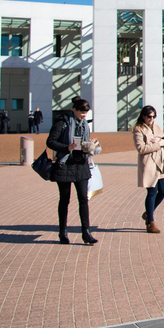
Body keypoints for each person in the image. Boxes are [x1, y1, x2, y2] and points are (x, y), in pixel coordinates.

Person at [46, 97, 99, 245]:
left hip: (81, 164)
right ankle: (63, 232)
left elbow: (84, 141)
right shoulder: (62, 122)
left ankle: (86, 232)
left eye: (86, 113)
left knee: (83, 199)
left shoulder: (85, 125)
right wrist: (66, 148)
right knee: (64, 200)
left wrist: (91, 145)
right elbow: (50, 141)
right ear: (74, 110)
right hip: (65, 164)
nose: (84, 116)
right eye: (81, 113)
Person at [133, 105, 164, 234]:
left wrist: (163, 142)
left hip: (160, 164)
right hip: (149, 164)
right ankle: (150, 222)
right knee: (152, 192)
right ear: (143, 116)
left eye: (153, 116)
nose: (151, 119)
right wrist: (157, 144)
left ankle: (148, 213)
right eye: (149, 116)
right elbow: (141, 149)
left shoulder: (157, 128)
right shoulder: (138, 129)